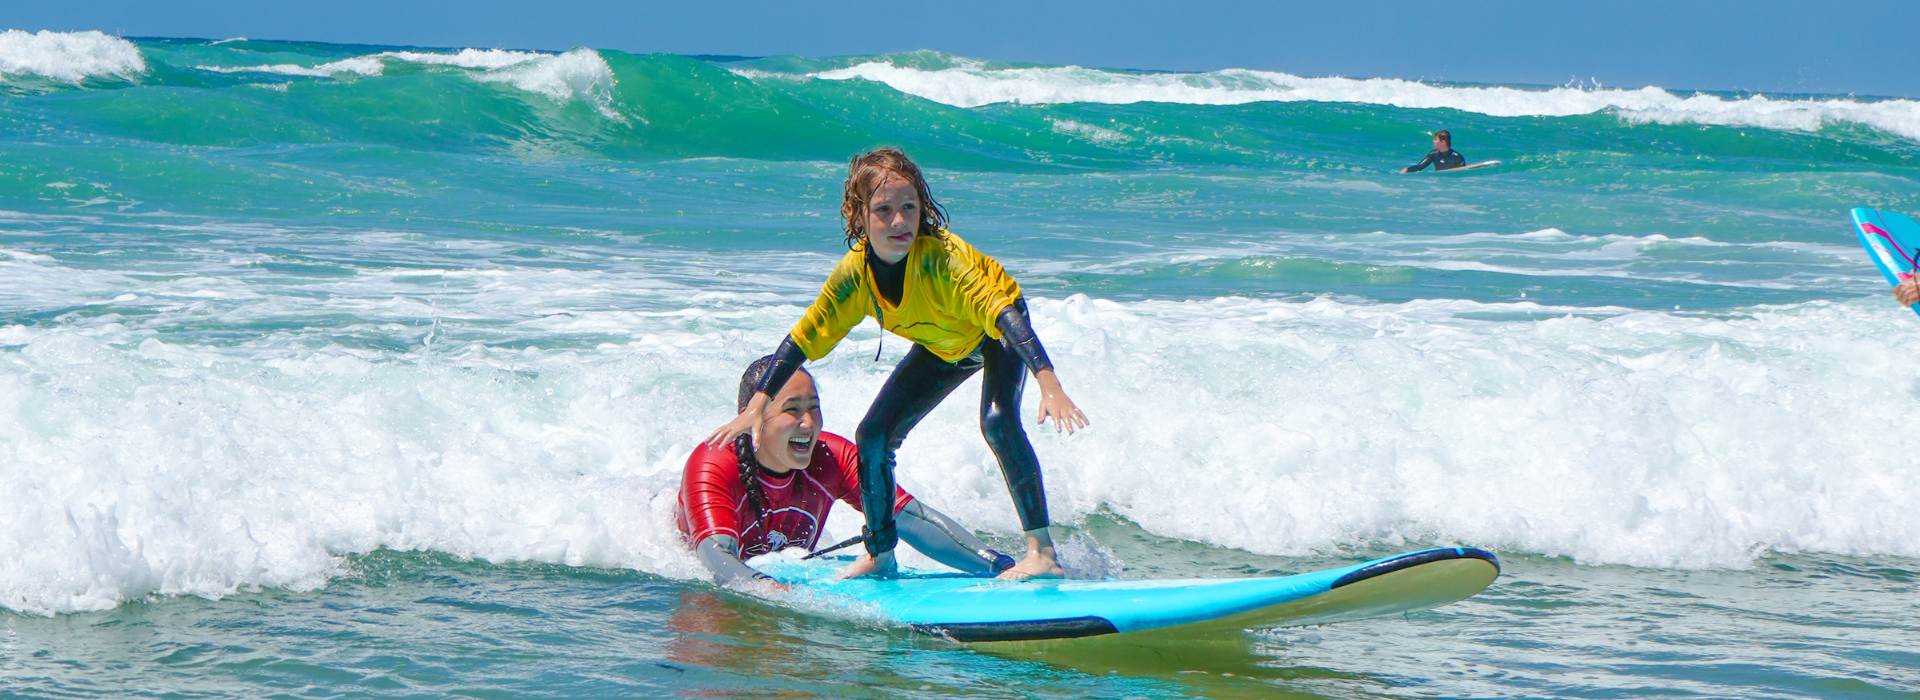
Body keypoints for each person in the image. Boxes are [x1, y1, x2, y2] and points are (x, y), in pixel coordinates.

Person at [705, 147, 1089, 581]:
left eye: (909, 208)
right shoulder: (854, 277)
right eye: (884, 210)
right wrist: (756, 406)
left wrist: (1047, 381)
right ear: (859, 214)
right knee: (873, 435)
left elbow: (1002, 313)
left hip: (994, 332)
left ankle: (1042, 552)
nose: (899, 222)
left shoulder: (944, 260)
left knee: (998, 422)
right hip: (942, 344)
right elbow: (803, 338)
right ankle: (881, 553)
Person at [677, 355, 1016, 588]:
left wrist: (998, 567)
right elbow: (716, 555)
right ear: (751, 418)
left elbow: (908, 518)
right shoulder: (714, 464)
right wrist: (769, 590)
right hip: (695, 569)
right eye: (792, 410)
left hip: (780, 570)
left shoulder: (832, 456)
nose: (808, 424)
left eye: (814, 409)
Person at [1401, 130, 1466, 173]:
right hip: (1437, 183)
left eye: (1435, 139)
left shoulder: (1457, 157)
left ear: (1443, 142)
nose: (1433, 141)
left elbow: (1462, 173)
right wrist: (1407, 170)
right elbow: (1420, 166)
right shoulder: (1433, 154)